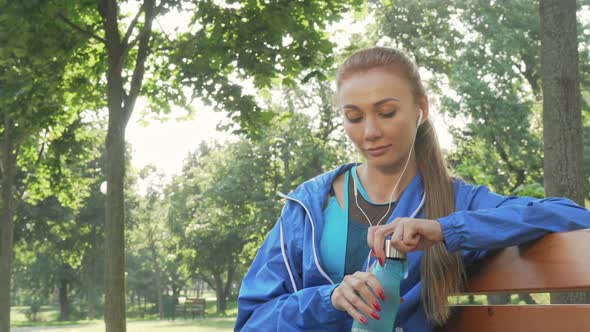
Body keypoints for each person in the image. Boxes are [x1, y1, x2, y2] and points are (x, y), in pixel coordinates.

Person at [234, 47, 590, 332]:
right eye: (354, 117)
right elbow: (253, 320)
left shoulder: (455, 201)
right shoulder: (309, 204)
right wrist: (330, 300)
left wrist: (446, 229)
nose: (369, 132)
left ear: (421, 109)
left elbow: (572, 215)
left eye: (386, 112)